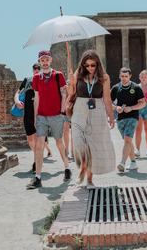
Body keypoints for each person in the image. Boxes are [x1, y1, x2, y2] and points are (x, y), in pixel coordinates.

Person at [67, 50, 115, 189]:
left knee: (93, 147)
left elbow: (106, 98)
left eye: (92, 65)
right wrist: (70, 81)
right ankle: (83, 167)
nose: (89, 68)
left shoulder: (104, 77)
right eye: (86, 65)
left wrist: (111, 116)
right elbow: (71, 92)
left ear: (97, 64)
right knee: (78, 143)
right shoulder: (77, 74)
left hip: (98, 110)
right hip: (79, 110)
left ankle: (89, 179)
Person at [26, 50, 71, 189]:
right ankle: (37, 177)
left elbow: (64, 94)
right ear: (39, 62)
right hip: (41, 116)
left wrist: (62, 111)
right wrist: (35, 116)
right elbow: (37, 98)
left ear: (50, 60)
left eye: (46, 60)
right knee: (39, 144)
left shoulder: (58, 75)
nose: (44, 63)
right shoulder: (36, 78)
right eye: (42, 61)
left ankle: (67, 167)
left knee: (59, 143)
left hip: (56, 115)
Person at [14, 63, 51, 174]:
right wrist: (16, 101)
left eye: (38, 68)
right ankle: (38, 156)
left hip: (41, 114)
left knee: (39, 139)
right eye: (34, 68)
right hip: (28, 113)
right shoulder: (27, 80)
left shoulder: (45, 80)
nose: (36, 70)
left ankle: (36, 161)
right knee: (30, 139)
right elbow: (18, 92)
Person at [111, 67, 146, 172]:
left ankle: (122, 162)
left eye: (126, 76)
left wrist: (131, 108)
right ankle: (134, 162)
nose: (124, 78)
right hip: (120, 117)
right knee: (128, 141)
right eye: (122, 76)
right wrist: (116, 107)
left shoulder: (136, 87)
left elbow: (142, 102)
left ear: (130, 76)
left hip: (133, 117)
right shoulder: (115, 88)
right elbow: (109, 102)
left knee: (127, 139)